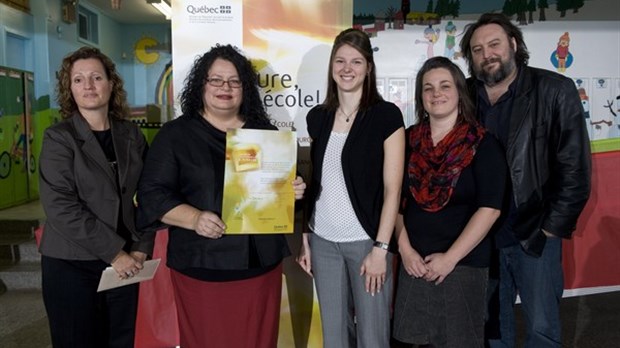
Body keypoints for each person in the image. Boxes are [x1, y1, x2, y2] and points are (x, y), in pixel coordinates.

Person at [136, 44, 306, 348]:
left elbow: (276, 198)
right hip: (202, 267)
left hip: (259, 266)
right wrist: (194, 218)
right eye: (216, 80)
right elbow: (151, 195)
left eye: (234, 81)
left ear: (245, 88)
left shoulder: (264, 133)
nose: (224, 88)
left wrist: (292, 191)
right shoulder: (176, 135)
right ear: (202, 85)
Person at [460, 13, 591, 347]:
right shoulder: (464, 99)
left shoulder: (554, 90)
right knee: (492, 332)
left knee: (542, 331)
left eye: (494, 45)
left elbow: (575, 171)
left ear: (514, 45)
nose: (487, 54)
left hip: (534, 237)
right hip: (482, 240)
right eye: (477, 49)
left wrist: (548, 230)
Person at [296, 28, 405, 347]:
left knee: (373, 337)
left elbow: (392, 190)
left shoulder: (386, 116)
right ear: (331, 67)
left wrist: (380, 250)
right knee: (334, 337)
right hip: (323, 243)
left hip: (366, 244)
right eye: (340, 61)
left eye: (356, 61)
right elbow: (314, 182)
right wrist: (306, 239)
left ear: (368, 67)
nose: (347, 68)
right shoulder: (318, 117)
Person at [39, 46, 154, 347]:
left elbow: (151, 192)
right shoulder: (59, 138)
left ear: (111, 83)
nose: (88, 85)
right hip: (71, 263)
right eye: (78, 80)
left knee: (121, 340)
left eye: (96, 77)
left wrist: (141, 247)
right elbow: (61, 207)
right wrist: (115, 253)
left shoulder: (131, 135)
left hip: (127, 262)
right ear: (70, 89)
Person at [391, 56, 507, 348]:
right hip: (413, 265)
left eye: (444, 86)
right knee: (409, 341)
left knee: (458, 342)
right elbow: (394, 200)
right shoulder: (406, 140)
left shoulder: (482, 143)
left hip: (462, 266)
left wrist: (450, 259)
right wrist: (405, 251)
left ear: (459, 92)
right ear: (421, 97)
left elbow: (490, 209)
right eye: (428, 88)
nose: (436, 93)